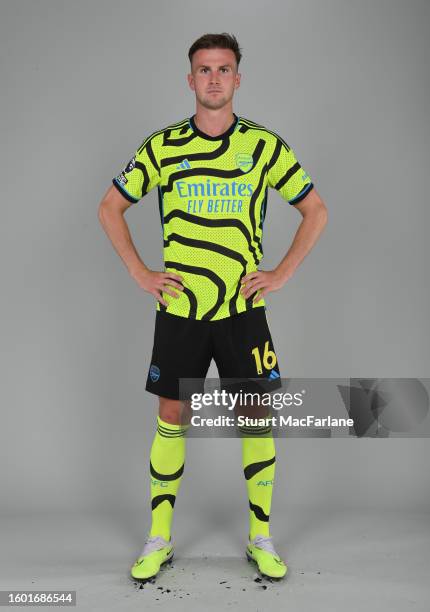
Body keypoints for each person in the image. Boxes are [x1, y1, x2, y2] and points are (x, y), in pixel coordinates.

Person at [98, 32, 328, 583]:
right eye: (204, 69)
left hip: (242, 310)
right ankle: (158, 538)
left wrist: (281, 272)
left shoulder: (264, 146)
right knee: (172, 416)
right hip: (180, 311)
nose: (214, 79)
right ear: (190, 79)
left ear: (238, 79)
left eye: (224, 69)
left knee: (255, 415)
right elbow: (110, 206)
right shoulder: (162, 146)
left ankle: (261, 538)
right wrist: (139, 271)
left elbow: (315, 209)